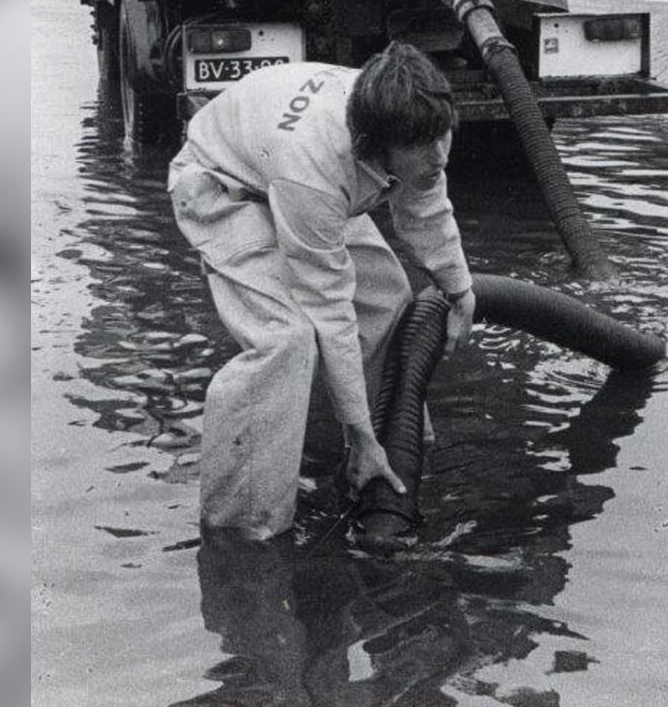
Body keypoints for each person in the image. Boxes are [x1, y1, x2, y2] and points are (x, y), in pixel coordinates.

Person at [168, 44, 478, 541]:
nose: (438, 155)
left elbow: (424, 205)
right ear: (378, 145)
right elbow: (329, 310)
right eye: (423, 146)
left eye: (442, 137)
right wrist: (355, 431)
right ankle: (243, 528)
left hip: (288, 172)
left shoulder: (410, 111)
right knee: (286, 340)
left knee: (386, 295)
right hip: (226, 188)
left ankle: (396, 450)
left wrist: (459, 289)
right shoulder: (314, 168)